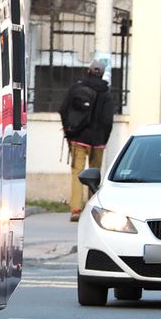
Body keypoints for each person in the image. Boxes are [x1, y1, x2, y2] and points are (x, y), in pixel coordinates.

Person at [59, 59, 114, 221]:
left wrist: (70, 134)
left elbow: (63, 109)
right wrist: (104, 139)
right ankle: (92, 211)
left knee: (77, 173)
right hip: (98, 141)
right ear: (102, 74)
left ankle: (76, 209)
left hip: (78, 139)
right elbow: (108, 121)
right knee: (94, 175)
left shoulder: (77, 88)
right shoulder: (106, 93)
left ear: (88, 71)